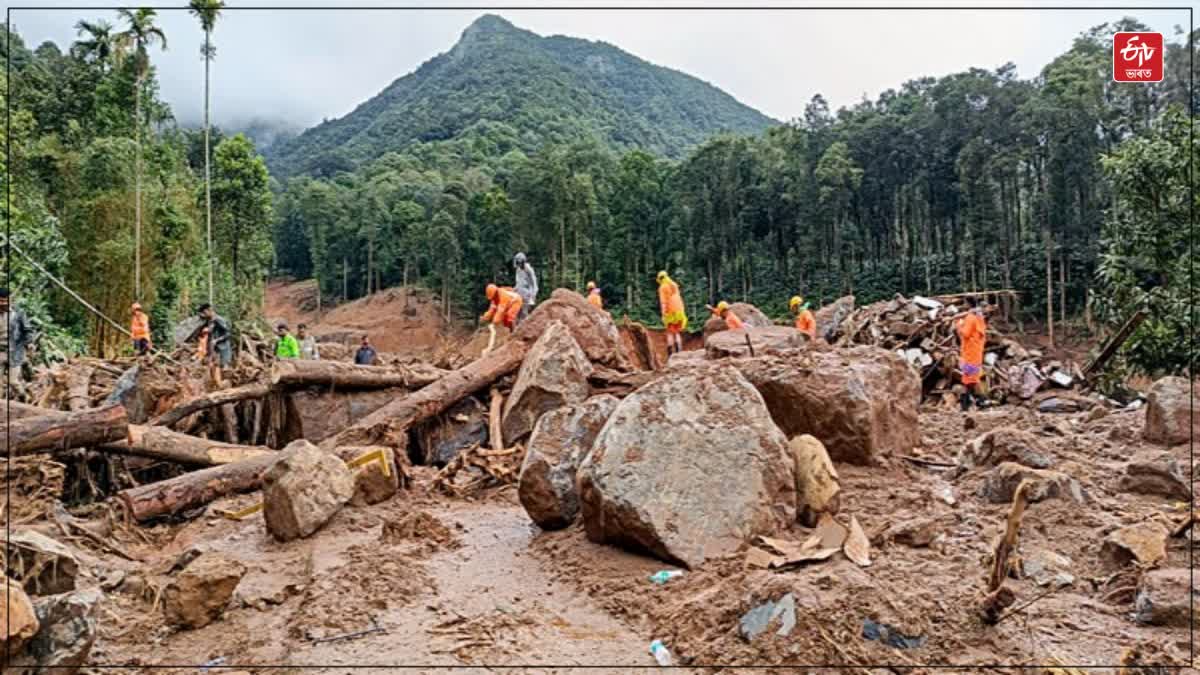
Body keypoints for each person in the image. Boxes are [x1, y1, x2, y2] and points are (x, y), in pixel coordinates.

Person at [955, 297, 989, 410]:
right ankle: (970, 403)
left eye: (964, 303)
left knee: (971, 378)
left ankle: (980, 401)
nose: (962, 305)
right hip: (975, 351)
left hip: (970, 352)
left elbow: (965, 334)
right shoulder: (979, 317)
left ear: (968, 304)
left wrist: (959, 324)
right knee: (968, 377)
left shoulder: (970, 317)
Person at [1, 288, 34, 401]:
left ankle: (25, 397)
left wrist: (29, 342)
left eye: (6, 301)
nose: (4, 304)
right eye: (1, 301)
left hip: (15, 352)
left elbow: (28, 329)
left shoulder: (19, 314)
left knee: (13, 382)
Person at [656, 271, 688, 356]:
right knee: (677, 332)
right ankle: (679, 352)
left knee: (670, 332)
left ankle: (671, 355)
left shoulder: (662, 287)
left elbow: (663, 302)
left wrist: (663, 314)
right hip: (680, 310)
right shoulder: (674, 284)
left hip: (670, 311)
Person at [197, 303, 232, 369]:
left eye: (205, 312)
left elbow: (228, 333)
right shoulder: (210, 321)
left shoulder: (219, 320)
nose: (204, 315)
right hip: (215, 350)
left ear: (209, 310)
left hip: (223, 350)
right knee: (214, 368)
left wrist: (217, 340)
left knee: (224, 370)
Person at [513, 252, 538, 325]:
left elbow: (534, 283)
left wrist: (533, 295)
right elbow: (519, 282)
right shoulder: (518, 270)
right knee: (517, 312)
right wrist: (514, 289)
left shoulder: (529, 269)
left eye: (519, 263)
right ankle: (516, 329)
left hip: (527, 294)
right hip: (519, 293)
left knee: (524, 313)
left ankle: (524, 329)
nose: (518, 265)